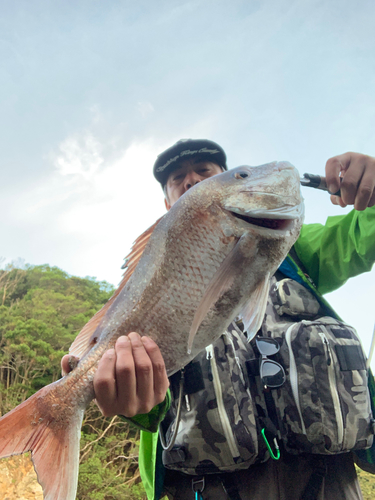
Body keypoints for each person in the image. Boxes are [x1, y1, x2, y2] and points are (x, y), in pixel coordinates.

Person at [62, 139, 375, 500]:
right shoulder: (148, 286)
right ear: (168, 204)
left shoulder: (295, 251)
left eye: (205, 171)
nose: (191, 180)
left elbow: (361, 237)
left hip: (326, 483)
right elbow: (150, 409)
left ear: (224, 181)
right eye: (178, 178)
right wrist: (134, 405)